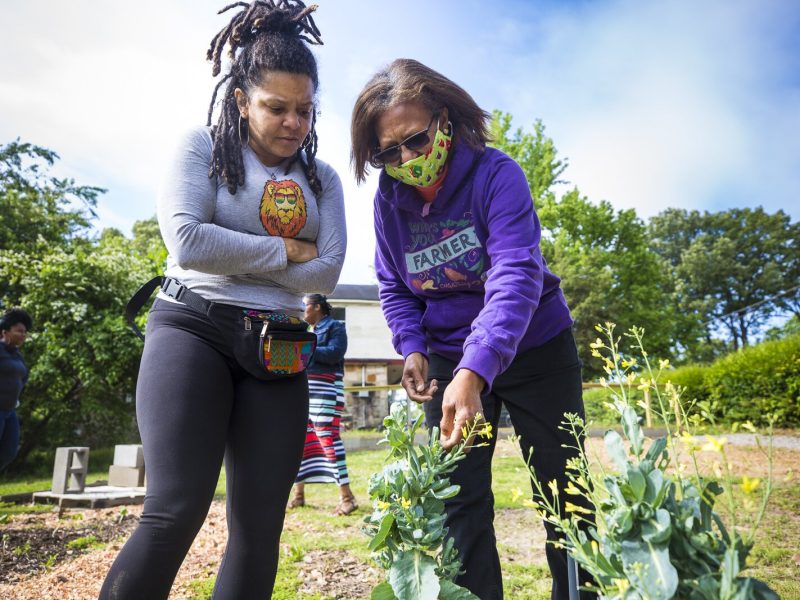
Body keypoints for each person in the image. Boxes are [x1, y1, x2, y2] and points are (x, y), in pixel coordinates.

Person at [100, 2, 345, 598]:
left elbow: (330, 272)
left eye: (304, 110)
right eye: (276, 107)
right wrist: (287, 250)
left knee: (260, 527)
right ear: (241, 99)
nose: (294, 123)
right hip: (193, 328)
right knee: (174, 509)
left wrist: (250, 252)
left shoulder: (324, 180)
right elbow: (187, 241)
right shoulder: (201, 148)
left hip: (278, 350)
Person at [351, 58, 594, 599]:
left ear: (444, 119)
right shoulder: (389, 205)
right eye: (388, 153)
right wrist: (412, 347)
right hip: (446, 354)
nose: (407, 160)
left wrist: (475, 369)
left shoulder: (496, 174)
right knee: (458, 498)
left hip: (533, 346)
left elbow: (515, 274)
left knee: (565, 491)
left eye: (414, 140)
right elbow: (394, 285)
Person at [288, 294, 357, 515]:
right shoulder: (303, 329)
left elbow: (335, 353)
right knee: (300, 438)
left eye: (305, 305)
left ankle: (347, 497)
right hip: (303, 387)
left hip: (327, 387)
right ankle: (298, 495)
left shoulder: (335, 326)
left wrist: (303, 349)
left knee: (327, 437)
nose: (302, 310)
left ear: (317, 307)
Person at [0, 308, 32, 472]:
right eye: (19, 331)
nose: (23, 335)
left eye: (25, 332)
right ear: (5, 331)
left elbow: (22, 377)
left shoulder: (17, 355)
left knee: (9, 452)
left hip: (10, 410)